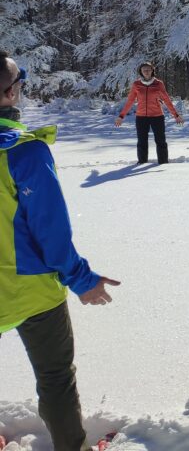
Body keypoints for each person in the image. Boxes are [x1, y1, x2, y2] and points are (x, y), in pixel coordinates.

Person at [0, 51, 120, 451]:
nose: (21, 87)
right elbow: (51, 232)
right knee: (55, 377)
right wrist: (82, 280)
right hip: (31, 291)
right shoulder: (24, 151)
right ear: (10, 94)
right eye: (20, 80)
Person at [114, 61, 184, 164]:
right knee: (141, 142)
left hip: (157, 116)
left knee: (160, 141)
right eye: (144, 70)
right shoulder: (136, 84)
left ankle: (163, 163)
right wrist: (121, 116)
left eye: (148, 69)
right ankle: (142, 162)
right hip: (141, 117)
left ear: (152, 71)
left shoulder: (158, 84)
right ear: (141, 72)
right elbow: (130, 101)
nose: (146, 72)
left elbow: (167, 100)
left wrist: (176, 115)